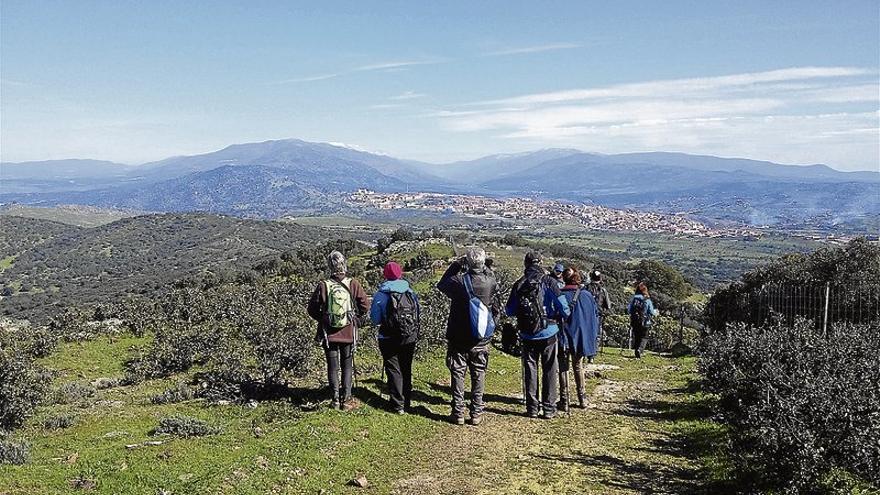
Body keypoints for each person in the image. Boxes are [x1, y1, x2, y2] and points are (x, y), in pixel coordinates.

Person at [437, 247, 499, 426]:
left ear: (468, 263)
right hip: (481, 337)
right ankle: (476, 413)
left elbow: (442, 284)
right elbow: (491, 278)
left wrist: (457, 264)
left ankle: (458, 412)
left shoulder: (459, 281)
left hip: (459, 335)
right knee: (478, 373)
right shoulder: (490, 281)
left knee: (458, 373)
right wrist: (485, 266)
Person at [506, 252, 570, 419]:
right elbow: (564, 309)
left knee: (530, 369)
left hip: (527, 334)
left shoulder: (519, 284)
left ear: (525, 264)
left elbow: (509, 310)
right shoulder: (549, 282)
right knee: (549, 368)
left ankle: (532, 408)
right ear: (540, 263)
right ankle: (549, 409)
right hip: (549, 332)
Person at [308, 251, 370, 410]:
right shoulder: (353, 283)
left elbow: (312, 309)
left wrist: (323, 319)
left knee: (333, 366)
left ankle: (335, 400)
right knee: (347, 365)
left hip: (329, 334)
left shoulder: (324, 285)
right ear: (344, 264)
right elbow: (365, 306)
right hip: (348, 333)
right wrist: (355, 320)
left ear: (330, 266)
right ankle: (347, 400)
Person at [370, 261, 420, 414]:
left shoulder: (381, 294)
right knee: (406, 368)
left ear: (385, 275)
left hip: (388, 337)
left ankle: (397, 404)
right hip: (409, 336)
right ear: (400, 274)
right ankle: (407, 402)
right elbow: (418, 313)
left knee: (394, 369)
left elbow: (375, 319)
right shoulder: (410, 292)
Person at [558, 268, 600, 409]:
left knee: (563, 367)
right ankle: (582, 398)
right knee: (578, 366)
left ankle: (564, 400)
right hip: (580, 337)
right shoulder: (587, 296)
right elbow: (593, 316)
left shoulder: (560, 295)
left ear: (564, 279)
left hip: (563, 335)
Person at [586, 270, 613, 362]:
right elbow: (608, 305)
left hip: (586, 314)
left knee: (587, 333)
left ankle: (586, 351)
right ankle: (592, 355)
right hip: (598, 315)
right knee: (596, 335)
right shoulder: (603, 290)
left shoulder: (585, 288)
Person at [628, 282, 658, 359]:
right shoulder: (647, 299)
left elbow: (629, 310)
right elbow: (651, 311)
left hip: (634, 320)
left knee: (637, 336)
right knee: (644, 337)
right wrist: (655, 312)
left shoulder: (634, 298)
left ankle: (636, 351)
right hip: (645, 321)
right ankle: (640, 349)